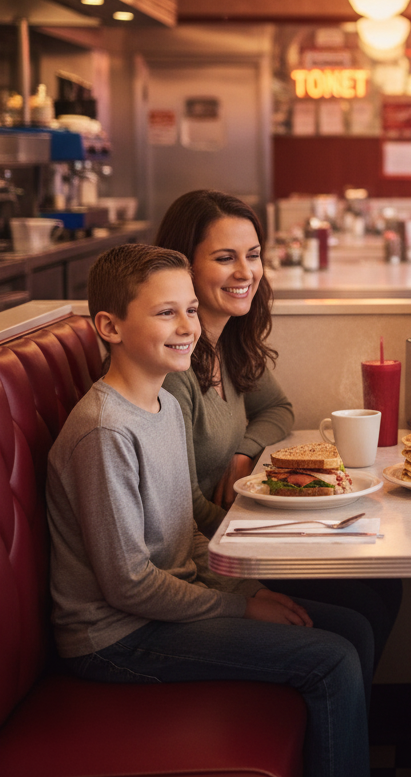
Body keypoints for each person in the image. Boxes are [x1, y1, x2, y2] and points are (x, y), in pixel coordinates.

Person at [47, 244, 372, 777]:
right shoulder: (105, 431)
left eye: (191, 309)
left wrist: (249, 591)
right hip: (116, 639)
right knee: (332, 659)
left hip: (162, 612)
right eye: (164, 312)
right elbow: (127, 585)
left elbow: (184, 535)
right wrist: (239, 609)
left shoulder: (165, 405)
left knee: (353, 628)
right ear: (109, 326)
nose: (187, 327)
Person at [156, 189, 402, 666]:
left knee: (382, 588)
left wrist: (244, 452)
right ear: (183, 268)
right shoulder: (173, 364)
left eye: (253, 255)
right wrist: (249, 564)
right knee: (361, 613)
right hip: (206, 554)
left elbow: (278, 409)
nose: (245, 272)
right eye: (225, 258)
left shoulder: (228, 341)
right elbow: (182, 513)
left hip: (229, 532)